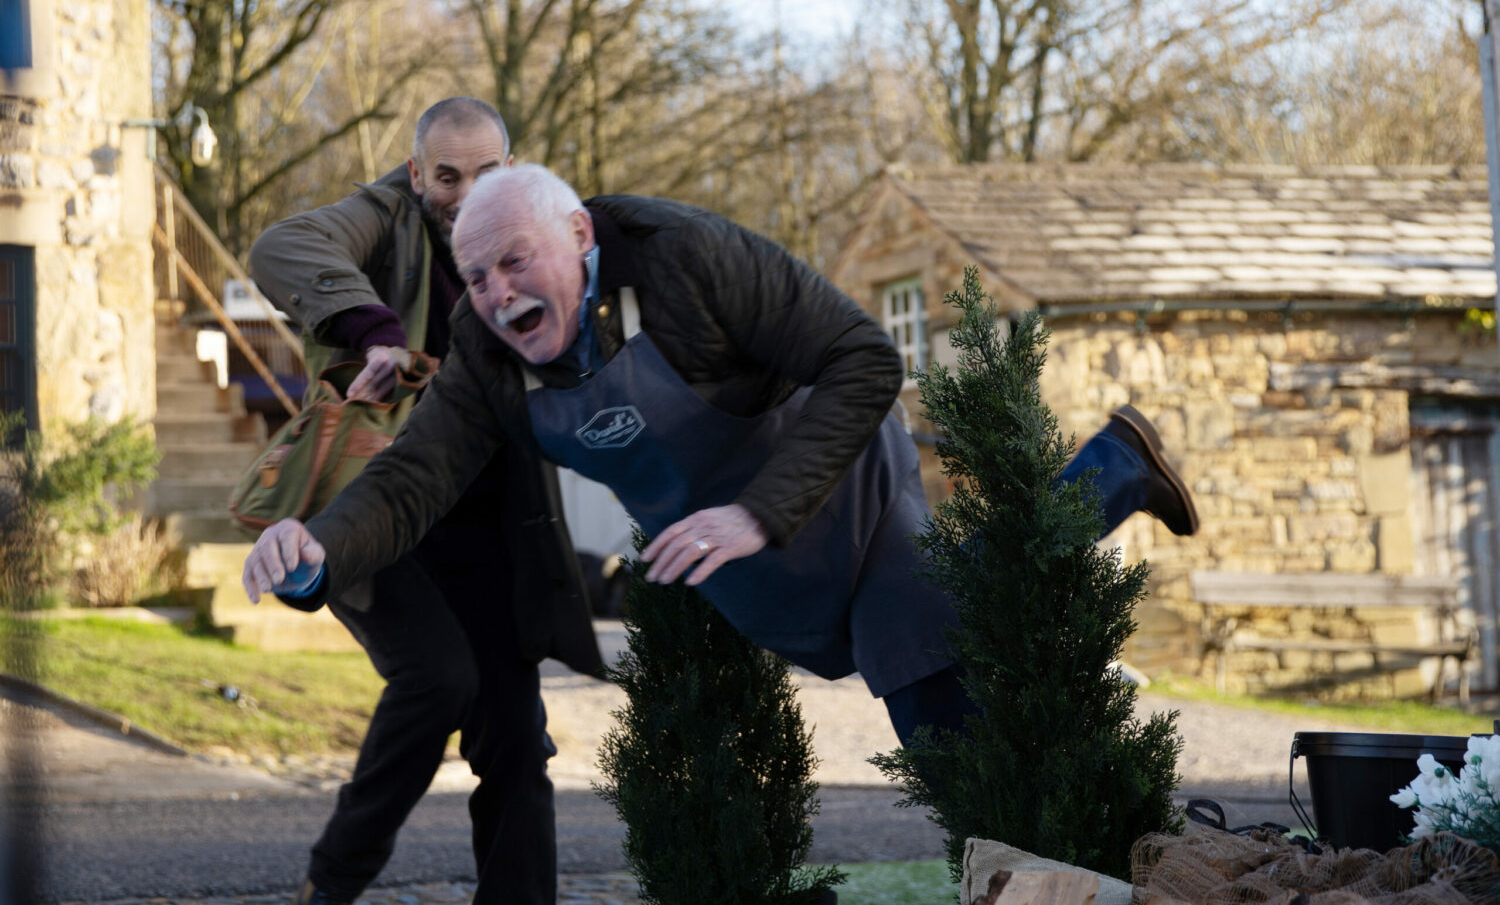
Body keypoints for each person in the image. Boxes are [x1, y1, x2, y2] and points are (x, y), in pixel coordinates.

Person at [242, 162, 1197, 786]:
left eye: (514, 261)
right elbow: (414, 480)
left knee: (925, 673)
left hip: (837, 484)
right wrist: (316, 545)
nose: (496, 294)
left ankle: (1011, 850)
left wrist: (756, 510)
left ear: (578, 235)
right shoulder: (485, 358)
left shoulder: (688, 260)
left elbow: (864, 358)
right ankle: (1112, 471)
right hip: (747, 570)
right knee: (965, 602)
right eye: (477, 275)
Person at [247, 106, 602, 905]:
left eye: (485, 173)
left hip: (489, 520)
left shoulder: (527, 224)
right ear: (417, 175)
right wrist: (374, 331)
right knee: (438, 678)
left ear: (513, 166)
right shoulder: (385, 217)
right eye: (447, 176)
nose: (465, 192)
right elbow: (280, 247)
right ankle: (332, 883)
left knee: (514, 739)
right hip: (380, 512)